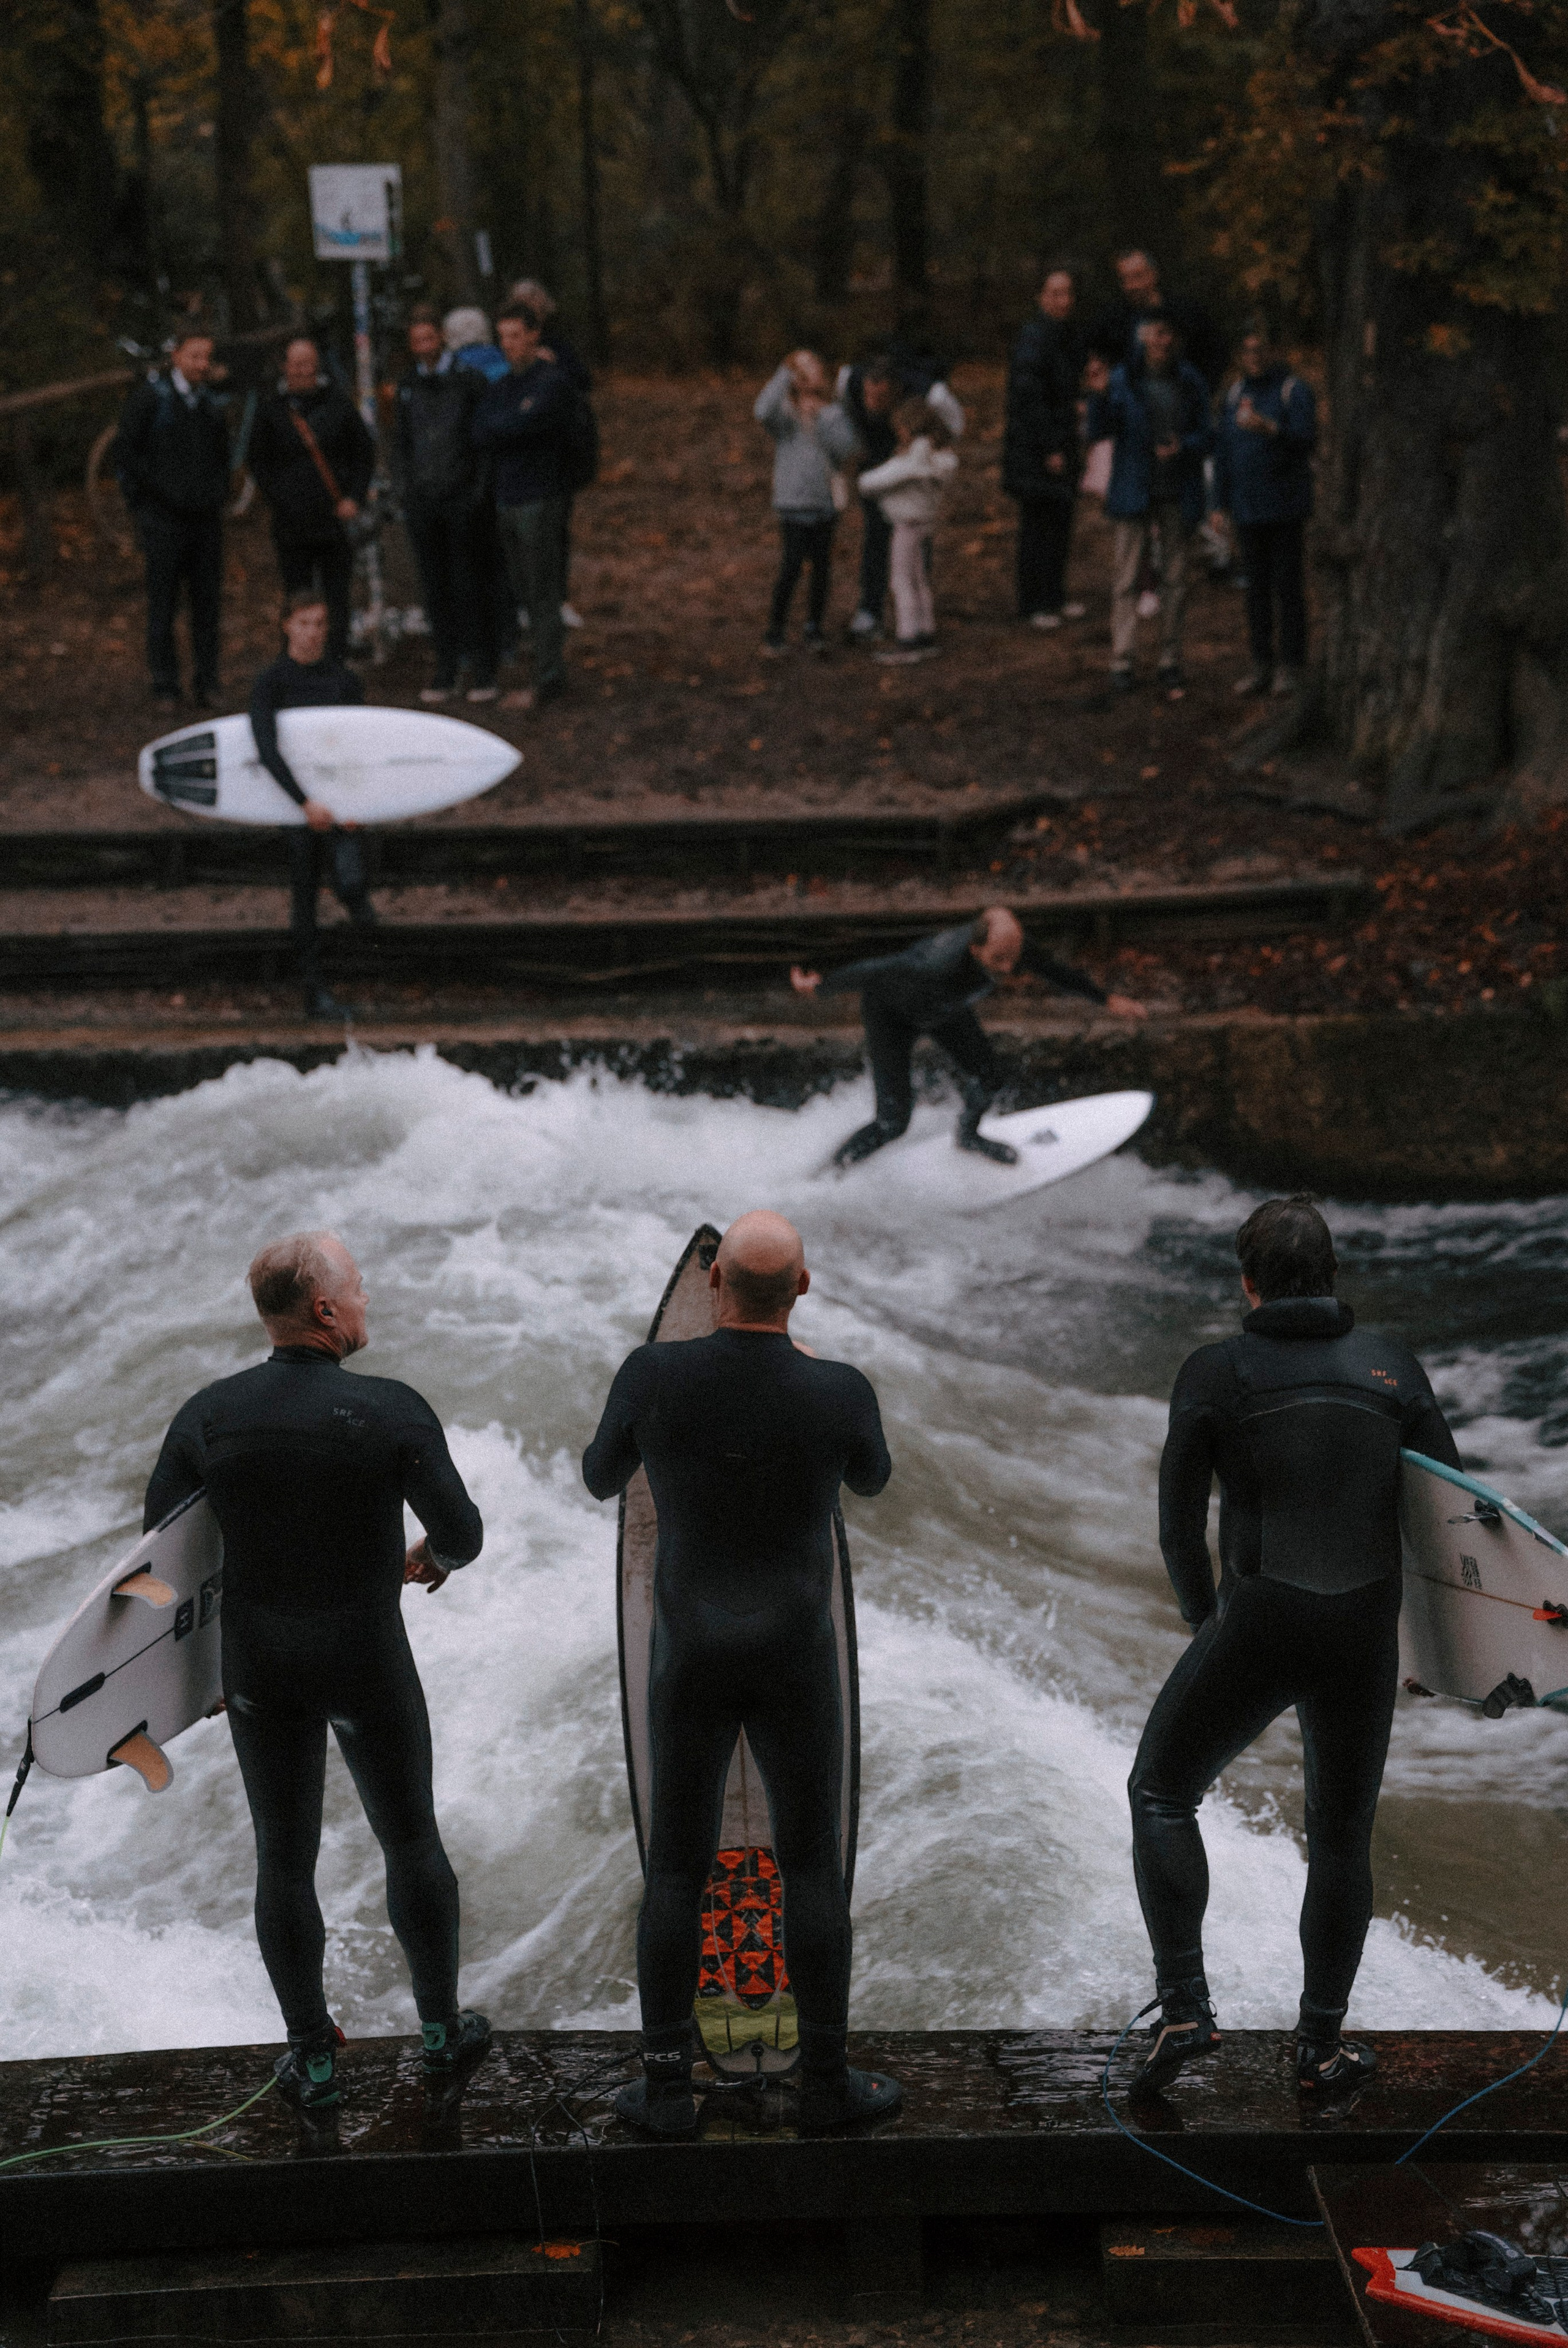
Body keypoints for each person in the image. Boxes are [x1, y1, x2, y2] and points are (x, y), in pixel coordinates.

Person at [143, 1229, 489, 2113]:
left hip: (261, 1664)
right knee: (410, 1838)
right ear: (326, 1311)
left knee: (283, 1858)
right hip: (364, 1656)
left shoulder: (208, 1415)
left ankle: (314, 2058)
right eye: (360, 1289)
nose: (367, 1300)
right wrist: (436, 1555)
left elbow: (160, 1562)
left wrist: (196, 1672)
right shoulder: (389, 1410)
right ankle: (443, 2035)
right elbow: (463, 1530)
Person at [1128, 1197, 1463, 2097]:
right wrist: (1451, 1661)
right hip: (1364, 1633)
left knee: (1162, 1791)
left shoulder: (1213, 1371)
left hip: (1262, 1619)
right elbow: (1454, 1524)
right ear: (1333, 1276)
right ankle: (1319, 2048)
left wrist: (1211, 1626)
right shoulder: (1394, 1366)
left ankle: (1188, 2011)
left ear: (1247, 1282)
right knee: (1342, 1836)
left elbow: (1176, 1529)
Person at [582, 1210, 899, 2136]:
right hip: (797, 1653)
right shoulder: (840, 1391)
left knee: (678, 1872)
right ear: (804, 1288)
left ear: (713, 1282)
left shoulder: (652, 1376)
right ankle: (828, 2086)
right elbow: (872, 1480)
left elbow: (603, 1478)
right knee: (809, 1865)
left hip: (690, 1652)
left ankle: (670, 2092)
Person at [791, 908, 1145, 1168]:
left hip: (945, 1012)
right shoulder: (937, 962)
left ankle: (968, 1136)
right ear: (976, 950)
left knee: (991, 1075)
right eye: (998, 960)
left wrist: (1107, 1000)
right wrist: (821, 988)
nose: (1008, 968)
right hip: (891, 1015)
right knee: (894, 1122)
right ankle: (835, 1171)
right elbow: (875, 970)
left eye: (1013, 958)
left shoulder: (1012, 949)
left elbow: (1055, 971)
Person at [249, 592, 377, 1019]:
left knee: (353, 883)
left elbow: (358, 749)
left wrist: (355, 805)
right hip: (295, 805)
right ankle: (314, 992)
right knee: (304, 895)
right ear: (286, 625)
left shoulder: (344, 682)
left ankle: (361, 920)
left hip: (339, 802)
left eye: (320, 624)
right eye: (304, 623)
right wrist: (304, 804)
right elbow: (268, 749)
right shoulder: (271, 684)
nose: (313, 633)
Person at [1085, 319, 1213, 695]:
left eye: (1168, 333)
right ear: (1142, 338)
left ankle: (1170, 659)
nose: (1163, 340)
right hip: (1133, 490)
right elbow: (1098, 431)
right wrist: (1099, 395)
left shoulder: (1190, 381)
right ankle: (1122, 660)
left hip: (1177, 490)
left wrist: (1184, 446)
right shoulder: (1123, 379)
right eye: (1156, 333)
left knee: (1175, 579)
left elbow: (1208, 433)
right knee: (1125, 580)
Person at [113, 328, 230, 707]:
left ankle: (207, 683)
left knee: (207, 605)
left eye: (206, 358)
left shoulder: (211, 405)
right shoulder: (151, 400)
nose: (200, 365)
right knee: (163, 605)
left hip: (206, 523)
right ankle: (165, 685)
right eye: (193, 356)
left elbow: (223, 460)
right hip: (163, 523)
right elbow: (127, 454)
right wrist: (143, 507)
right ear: (177, 355)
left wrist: (216, 498)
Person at [471, 299, 574, 712]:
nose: (508, 345)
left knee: (543, 588)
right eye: (503, 338)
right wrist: (510, 425)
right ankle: (545, 667)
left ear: (534, 335)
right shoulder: (501, 388)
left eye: (515, 335)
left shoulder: (551, 382)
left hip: (542, 498)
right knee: (523, 588)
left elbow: (524, 425)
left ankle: (547, 678)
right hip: (507, 497)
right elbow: (483, 429)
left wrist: (509, 426)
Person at [248, 338, 376, 665]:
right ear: (285, 367)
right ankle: (297, 662)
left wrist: (354, 496)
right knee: (296, 594)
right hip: (291, 522)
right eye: (297, 364)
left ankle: (335, 659)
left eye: (310, 363)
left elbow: (363, 453)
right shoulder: (271, 409)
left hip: (334, 518)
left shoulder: (338, 404)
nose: (304, 371)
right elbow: (259, 462)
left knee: (337, 595)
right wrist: (281, 498)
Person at [393, 305, 497, 704]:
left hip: (463, 501)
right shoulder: (408, 387)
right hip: (424, 502)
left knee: (471, 585)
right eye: (417, 341)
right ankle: (447, 667)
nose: (424, 347)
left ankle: (483, 668)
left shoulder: (468, 381)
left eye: (429, 338)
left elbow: (482, 442)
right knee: (436, 589)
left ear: (441, 337)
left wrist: (476, 493)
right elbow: (401, 443)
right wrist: (407, 489)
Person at [1212, 330, 1317, 698]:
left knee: (1287, 589)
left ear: (1273, 350)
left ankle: (1291, 664)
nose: (1253, 356)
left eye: (1259, 349)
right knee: (1255, 590)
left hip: (1286, 506)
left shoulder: (1293, 390)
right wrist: (1218, 503)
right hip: (1247, 508)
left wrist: (1270, 428)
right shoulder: (1235, 394)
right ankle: (1262, 664)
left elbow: (1307, 441)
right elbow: (1224, 451)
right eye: (1246, 350)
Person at [754, 350, 861, 654]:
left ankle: (815, 626)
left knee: (821, 568)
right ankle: (775, 630)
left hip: (825, 504)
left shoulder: (833, 412)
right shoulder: (785, 416)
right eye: (802, 368)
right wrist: (784, 371)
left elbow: (846, 448)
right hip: (792, 504)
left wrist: (821, 418)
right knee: (790, 567)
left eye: (812, 366)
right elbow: (762, 411)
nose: (808, 372)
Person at [1003, 269, 1088, 630]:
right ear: (1041, 297)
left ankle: (1054, 596)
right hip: (1035, 450)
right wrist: (1049, 446)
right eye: (1055, 293)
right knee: (1038, 524)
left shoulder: (1066, 337)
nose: (1063, 300)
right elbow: (1029, 397)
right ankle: (1034, 602)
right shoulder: (1033, 338)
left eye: (1067, 293)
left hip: (1062, 443)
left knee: (1060, 521)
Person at [509, 277, 596, 629]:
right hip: (518, 462)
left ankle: (557, 600)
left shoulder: (560, 347)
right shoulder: (505, 351)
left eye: (535, 306)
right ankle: (522, 604)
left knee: (556, 532)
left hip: (556, 459)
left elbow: (583, 385)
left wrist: (552, 368)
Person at [856, 400, 959, 665]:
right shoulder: (939, 458)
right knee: (918, 578)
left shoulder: (914, 460)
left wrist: (866, 481)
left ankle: (908, 637)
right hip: (924, 523)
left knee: (901, 581)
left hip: (906, 525)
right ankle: (925, 630)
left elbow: (872, 481)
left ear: (910, 428)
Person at [1090, 249, 1226, 392]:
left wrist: (1201, 394)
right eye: (1125, 279)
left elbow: (1215, 353)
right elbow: (1095, 356)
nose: (1132, 286)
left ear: (1153, 274)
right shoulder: (1113, 319)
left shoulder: (1185, 311)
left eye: (1138, 277)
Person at [837, 358, 898, 638]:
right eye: (868, 394)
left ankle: (910, 611)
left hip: (904, 478)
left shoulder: (909, 406)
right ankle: (870, 609)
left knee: (911, 547)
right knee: (875, 540)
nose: (873, 399)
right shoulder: (849, 392)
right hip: (871, 477)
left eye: (880, 395)